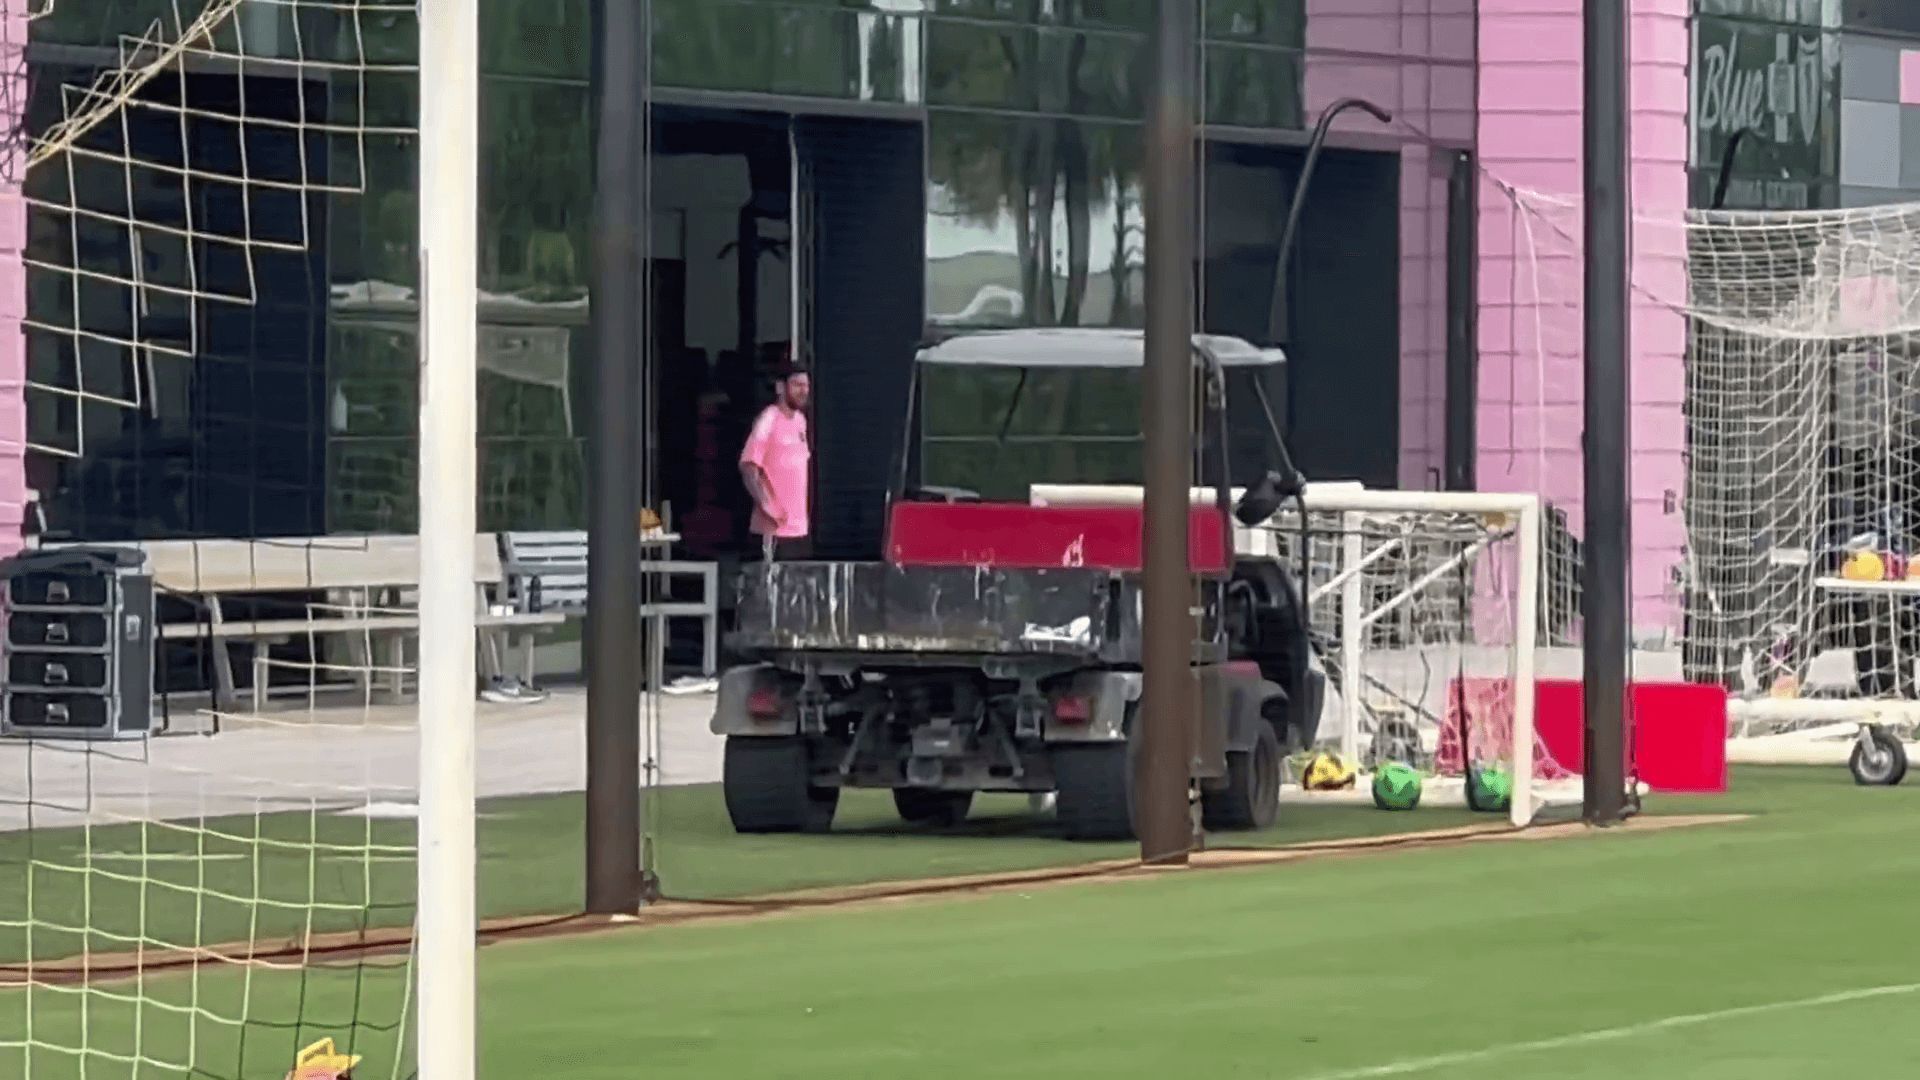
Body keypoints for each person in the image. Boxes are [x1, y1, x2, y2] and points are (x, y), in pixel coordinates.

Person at [740, 367, 811, 559]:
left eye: (806, 386)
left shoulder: (800, 421)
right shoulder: (768, 419)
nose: (803, 391)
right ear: (781, 387)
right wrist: (767, 506)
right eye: (797, 385)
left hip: (799, 529)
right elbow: (748, 465)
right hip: (774, 531)